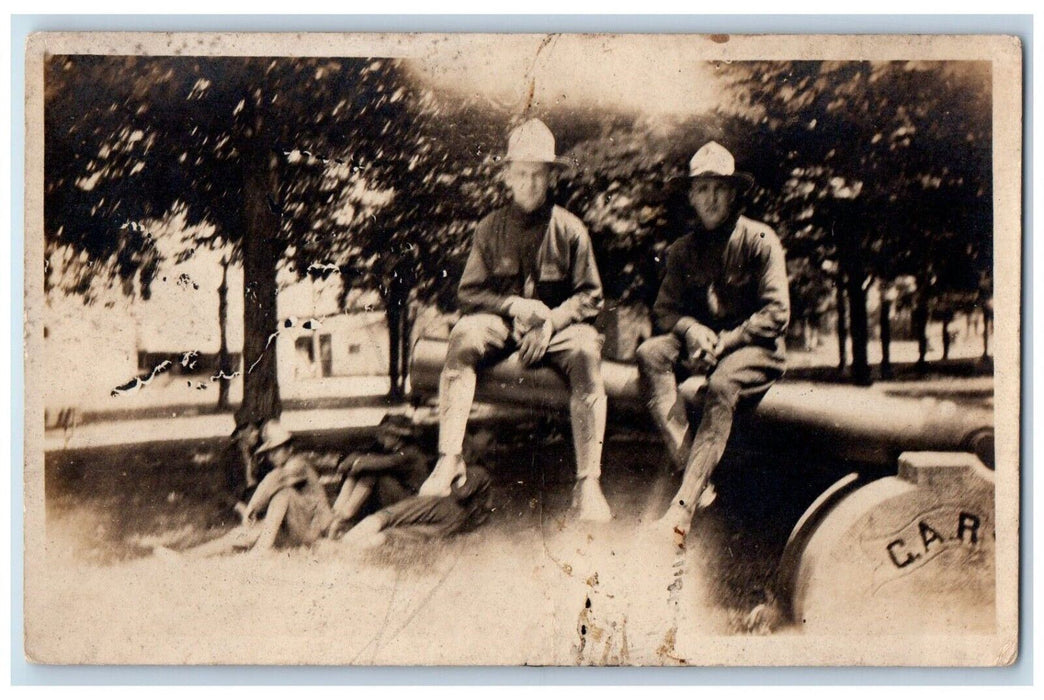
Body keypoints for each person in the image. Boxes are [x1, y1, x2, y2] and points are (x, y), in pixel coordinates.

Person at [417, 118, 612, 522]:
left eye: (538, 174)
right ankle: (450, 457)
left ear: (550, 178)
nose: (530, 183)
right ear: (507, 176)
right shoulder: (490, 228)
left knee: (586, 350)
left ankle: (588, 481)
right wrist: (513, 306)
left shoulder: (570, 230)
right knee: (463, 335)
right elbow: (469, 293)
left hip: (558, 331)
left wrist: (553, 323)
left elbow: (591, 296)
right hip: (504, 326)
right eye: (521, 173)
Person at [636, 141, 790, 540]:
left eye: (719, 187)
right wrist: (690, 330)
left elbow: (777, 314)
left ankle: (681, 511)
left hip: (756, 351)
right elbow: (664, 311)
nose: (710, 198)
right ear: (690, 196)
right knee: (650, 352)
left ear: (735, 192)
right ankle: (694, 470)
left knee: (720, 385)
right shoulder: (683, 251)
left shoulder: (759, 241)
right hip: (704, 348)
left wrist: (728, 340)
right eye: (701, 189)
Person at [157, 420, 333, 558]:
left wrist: (251, 509)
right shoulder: (283, 468)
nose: (272, 455)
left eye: (277, 450)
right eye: (270, 451)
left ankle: (262, 550)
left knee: (283, 495)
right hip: (296, 527)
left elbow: (272, 483)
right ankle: (186, 557)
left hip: (313, 530)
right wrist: (253, 515)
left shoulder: (298, 464)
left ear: (290, 449)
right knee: (241, 534)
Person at [326, 413, 431, 536]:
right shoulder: (395, 449)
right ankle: (336, 513)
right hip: (399, 497)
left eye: (386, 435)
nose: (381, 438)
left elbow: (372, 464)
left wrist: (357, 462)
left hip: (413, 503)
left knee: (373, 473)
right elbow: (360, 462)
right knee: (368, 471)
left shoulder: (409, 452)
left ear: (397, 437)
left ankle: (343, 517)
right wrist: (356, 461)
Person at [342, 466, 494, 549]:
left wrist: (448, 481)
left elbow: (462, 493)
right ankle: (349, 547)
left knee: (391, 518)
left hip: (444, 505)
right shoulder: (477, 473)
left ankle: (345, 546)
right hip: (453, 521)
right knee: (399, 533)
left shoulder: (477, 471)